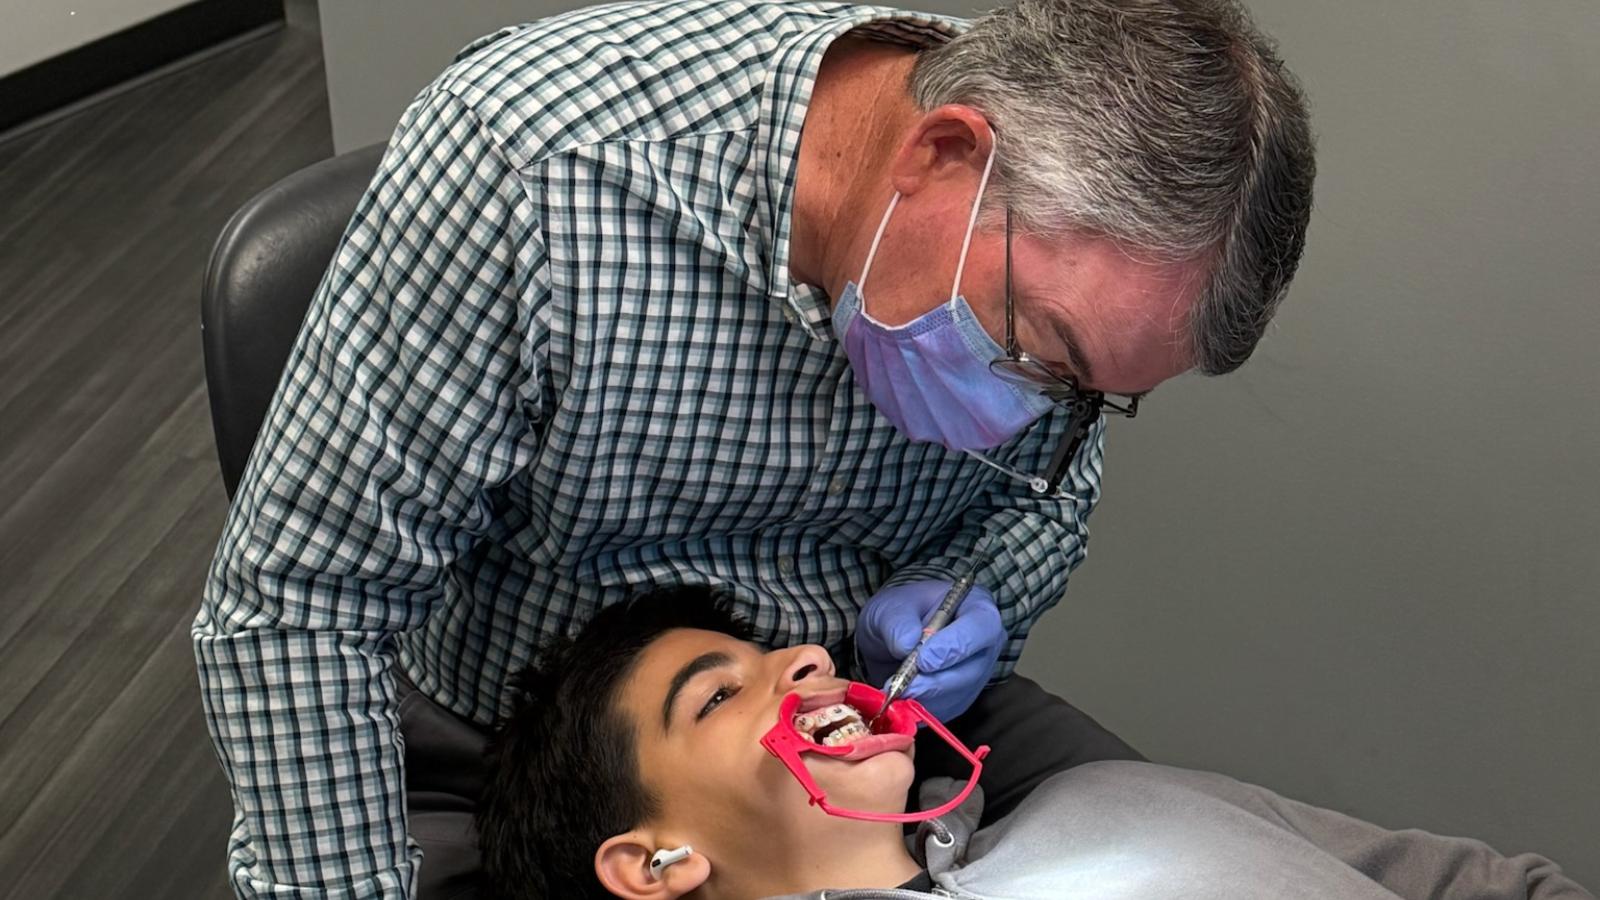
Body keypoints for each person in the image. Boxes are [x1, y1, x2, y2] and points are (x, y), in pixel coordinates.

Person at [194, 0, 1316, 895]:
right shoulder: (539, 169)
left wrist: (971, 596)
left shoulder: (1049, 299)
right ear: (939, 154)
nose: (1034, 415)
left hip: (882, 724)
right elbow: (303, 598)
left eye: (1089, 394)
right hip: (529, 754)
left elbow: (1039, 502)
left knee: (1215, 850)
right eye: (1040, 353)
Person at [478, 588, 1593, 900]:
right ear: (653, 862)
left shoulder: (1112, 802)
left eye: (780, 650)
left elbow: (1488, 886)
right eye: (715, 697)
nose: (807, 663)